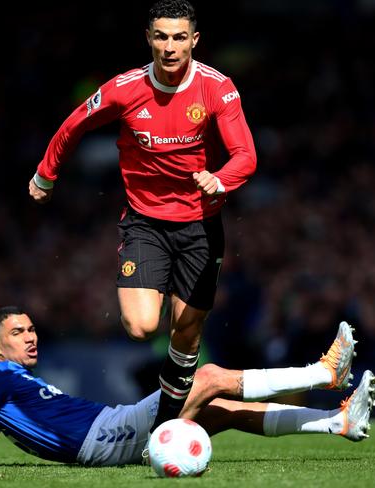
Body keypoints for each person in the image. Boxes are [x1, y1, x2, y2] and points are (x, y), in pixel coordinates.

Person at [28, 0, 257, 433]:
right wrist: (45, 174)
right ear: (148, 39)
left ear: (194, 40)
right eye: (161, 36)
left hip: (200, 225)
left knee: (186, 334)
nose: (169, 47)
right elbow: (74, 123)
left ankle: (168, 423)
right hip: (145, 222)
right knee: (141, 325)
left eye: (178, 37)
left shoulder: (217, 87)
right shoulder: (125, 88)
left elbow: (246, 155)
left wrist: (221, 180)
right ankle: (175, 410)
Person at [0, 307, 375, 472]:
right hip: (102, 437)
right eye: (18, 332)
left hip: (108, 429)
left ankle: (338, 422)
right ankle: (323, 372)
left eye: (32, 329)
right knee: (204, 377)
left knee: (222, 410)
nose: (31, 336)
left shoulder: (6, 385)